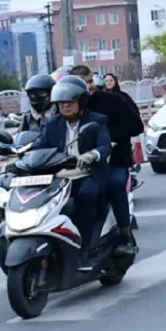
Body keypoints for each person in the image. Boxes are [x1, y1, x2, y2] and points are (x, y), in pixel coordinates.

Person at [34, 75, 112, 269]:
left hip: (87, 173)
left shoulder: (96, 121)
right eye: (61, 103)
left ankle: (86, 247)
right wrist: (19, 157)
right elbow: (40, 146)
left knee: (85, 196)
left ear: (81, 102)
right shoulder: (53, 124)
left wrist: (92, 155)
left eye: (69, 102)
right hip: (60, 176)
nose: (65, 107)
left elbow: (105, 146)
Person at [70, 66, 142, 256]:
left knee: (114, 184)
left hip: (114, 159)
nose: (88, 87)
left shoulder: (113, 101)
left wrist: (108, 138)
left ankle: (124, 234)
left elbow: (136, 126)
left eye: (90, 82)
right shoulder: (65, 108)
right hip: (78, 164)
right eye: (83, 84)